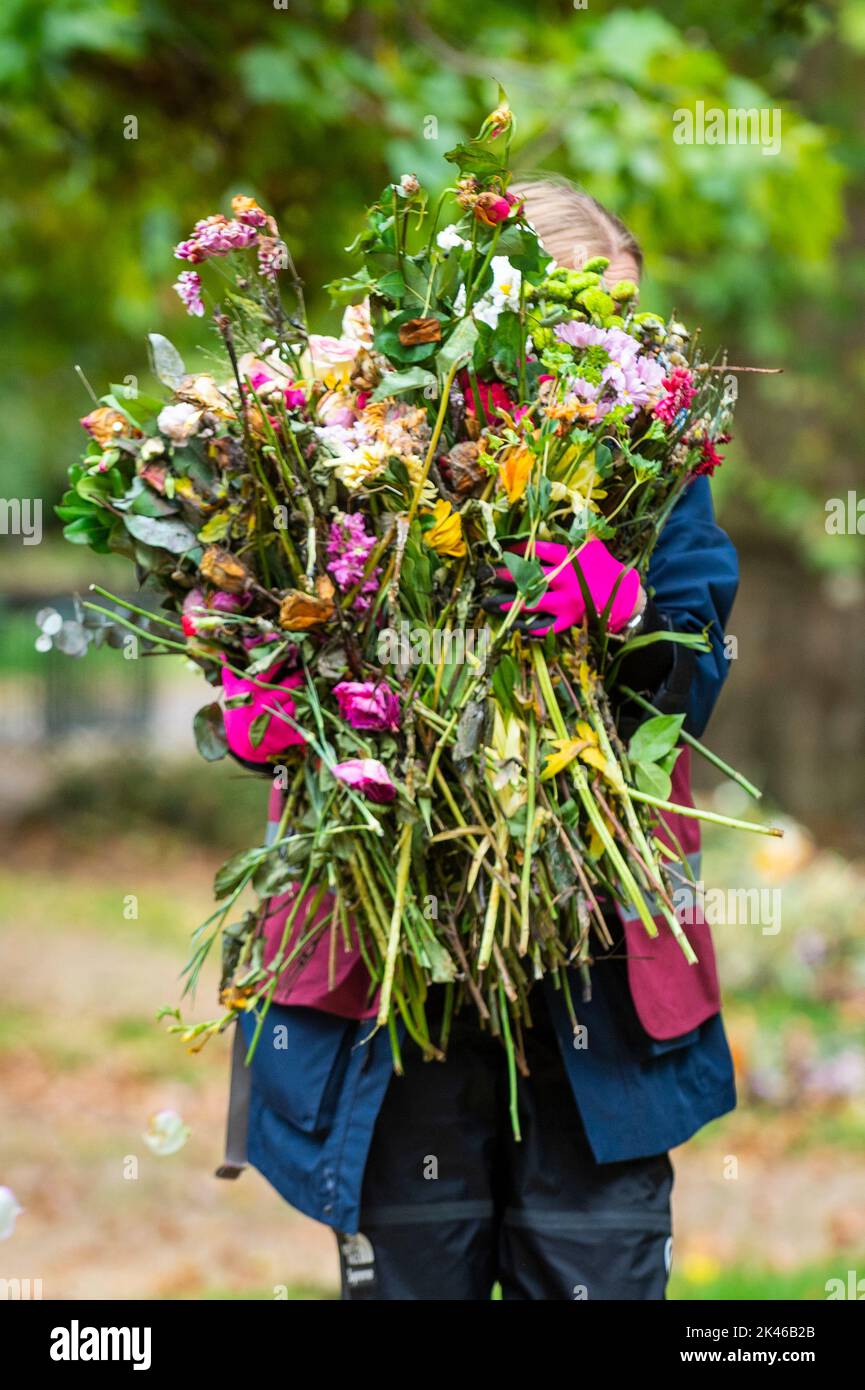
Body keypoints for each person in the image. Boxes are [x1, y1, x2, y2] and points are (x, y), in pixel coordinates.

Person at [217, 175, 740, 1301]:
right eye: (575, 331)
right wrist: (272, 699)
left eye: (625, 332)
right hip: (394, 958)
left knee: (591, 1271)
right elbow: (269, 637)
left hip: (593, 967)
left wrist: (627, 614)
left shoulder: (653, 470)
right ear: (476, 315)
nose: (608, 363)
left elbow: (685, 680)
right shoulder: (350, 447)